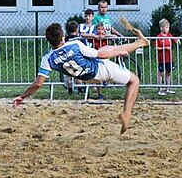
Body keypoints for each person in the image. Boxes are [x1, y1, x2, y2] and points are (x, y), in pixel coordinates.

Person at [13, 22, 149, 134]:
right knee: (134, 80)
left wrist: (22, 96)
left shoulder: (47, 59)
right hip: (99, 70)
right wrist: (120, 53)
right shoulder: (75, 45)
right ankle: (126, 113)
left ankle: (141, 42)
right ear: (63, 38)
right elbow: (100, 55)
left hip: (86, 78)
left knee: (107, 47)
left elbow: (38, 84)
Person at [156, 18, 180, 95]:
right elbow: (156, 47)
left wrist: (177, 40)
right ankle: (159, 89)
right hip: (161, 59)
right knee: (161, 73)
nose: (167, 29)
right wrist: (164, 48)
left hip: (169, 58)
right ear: (161, 28)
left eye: (168, 27)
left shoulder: (169, 35)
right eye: (166, 27)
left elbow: (175, 40)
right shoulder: (158, 37)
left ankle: (168, 88)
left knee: (168, 73)